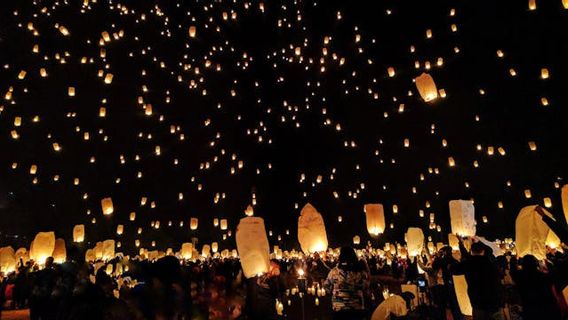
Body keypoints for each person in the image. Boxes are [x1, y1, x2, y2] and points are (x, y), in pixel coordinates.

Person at [452, 241, 505, 320]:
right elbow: (499, 277)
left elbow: (454, 270)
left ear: (471, 251)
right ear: (483, 251)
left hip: (477, 300)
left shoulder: (468, 263)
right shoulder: (490, 262)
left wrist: (460, 244)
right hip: (493, 299)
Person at [324, 247, 370, 320]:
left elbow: (327, 287)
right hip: (356, 308)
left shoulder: (334, 272)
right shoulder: (360, 272)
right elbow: (366, 287)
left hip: (339, 308)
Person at [509, 255, 562, 320]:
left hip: (529, 309)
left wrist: (514, 257)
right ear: (535, 264)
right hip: (546, 309)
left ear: (523, 264)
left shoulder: (520, 276)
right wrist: (546, 261)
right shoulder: (542, 276)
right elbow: (554, 274)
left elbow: (513, 270)